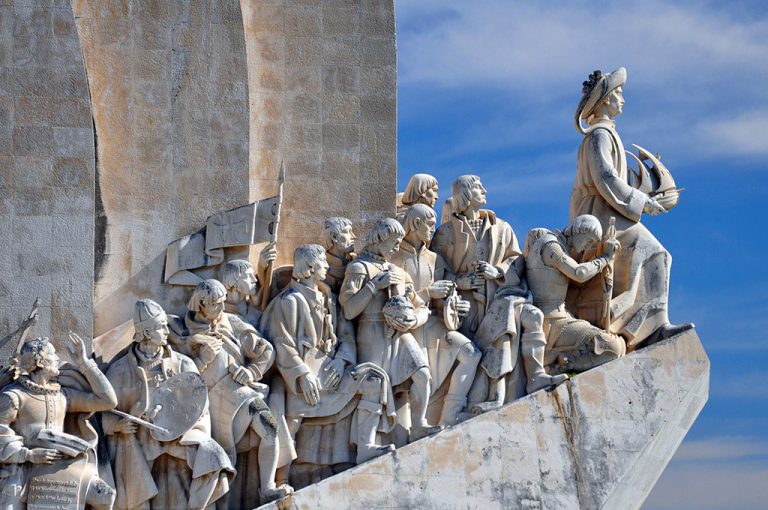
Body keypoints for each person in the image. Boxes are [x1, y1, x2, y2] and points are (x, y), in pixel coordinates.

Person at [571, 67, 692, 349]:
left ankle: (646, 324)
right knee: (656, 252)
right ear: (604, 100)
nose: (622, 99)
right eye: (618, 94)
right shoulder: (599, 135)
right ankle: (649, 328)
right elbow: (606, 180)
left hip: (608, 209)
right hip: (599, 214)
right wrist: (643, 203)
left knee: (656, 254)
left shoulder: (605, 134)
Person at [261, 244, 395, 482]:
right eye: (323, 262)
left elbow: (346, 337)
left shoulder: (330, 300)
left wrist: (342, 361)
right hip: (300, 379)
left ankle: (365, 447)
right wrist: (302, 375)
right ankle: (279, 479)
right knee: (291, 422)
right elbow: (281, 343)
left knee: (374, 380)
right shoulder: (289, 301)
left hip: (332, 372)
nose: (326, 266)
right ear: (311, 267)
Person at [431, 175, 566, 412]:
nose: (484, 190)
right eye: (477, 187)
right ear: (464, 193)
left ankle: (532, 376)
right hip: (466, 307)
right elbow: (435, 271)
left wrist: (498, 271)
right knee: (480, 349)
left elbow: (515, 259)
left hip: (501, 294)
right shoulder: (444, 234)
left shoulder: (502, 227)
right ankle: (480, 400)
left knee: (528, 316)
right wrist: (460, 282)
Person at [104, 299, 234, 510]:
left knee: (213, 457)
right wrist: (116, 426)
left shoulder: (183, 363)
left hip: (179, 439)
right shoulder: (119, 371)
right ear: (145, 332)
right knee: (131, 464)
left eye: (165, 324)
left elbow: (200, 408)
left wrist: (188, 430)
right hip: (140, 442)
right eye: (160, 327)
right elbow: (104, 411)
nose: (167, 331)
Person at [184, 281, 293, 506]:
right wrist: (201, 360)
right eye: (216, 304)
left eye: (224, 302)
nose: (221, 308)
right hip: (211, 404)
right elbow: (180, 377)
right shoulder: (184, 333)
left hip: (240, 391)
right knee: (222, 463)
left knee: (269, 426)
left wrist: (251, 371)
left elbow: (266, 349)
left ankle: (268, 488)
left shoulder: (230, 322)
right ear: (201, 304)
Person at [339, 218, 442, 443]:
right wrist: (374, 285)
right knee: (375, 387)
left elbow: (421, 306)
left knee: (423, 374)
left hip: (400, 333)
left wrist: (413, 321)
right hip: (371, 331)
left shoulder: (396, 270)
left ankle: (419, 425)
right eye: (394, 242)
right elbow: (348, 310)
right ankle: (367, 444)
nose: (397, 247)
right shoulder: (358, 267)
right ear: (381, 239)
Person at [1, 335, 118, 510]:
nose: (57, 358)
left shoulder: (62, 395)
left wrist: (84, 364)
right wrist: (29, 455)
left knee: (105, 496)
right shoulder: (13, 396)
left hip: (62, 468)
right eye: (52, 354)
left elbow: (108, 401)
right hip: (24, 471)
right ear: (39, 362)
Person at [390, 204, 481, 425]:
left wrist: (456, 305)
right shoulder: (394, 257)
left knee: (471, 353)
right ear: (416, 224)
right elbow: (394, 300)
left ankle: (450, 414)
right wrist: (428, 292)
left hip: (432, 323)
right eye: (429, 225)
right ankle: (416, 424)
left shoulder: (434, 258)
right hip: (406, 326)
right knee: (419, 378)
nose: (433, 229)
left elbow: (450, 289)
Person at [524, 215, 626, 374]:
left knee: (617, 347)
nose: (588, 246)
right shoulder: (551, 245)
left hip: (561, 319)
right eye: (589, 240)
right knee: (611, 347)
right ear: (579, 229)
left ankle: (562, 363)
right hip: (550, 323)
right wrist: (605, 258)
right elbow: (579, 272)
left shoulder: (560, 246)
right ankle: (557, 367)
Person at [219, 244, 278, 327]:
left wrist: (262, 266)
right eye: (248, 276)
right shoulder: (221, 313)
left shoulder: (252, 305)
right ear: (234, 282)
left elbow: (264, 292)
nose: (255, 279)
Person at [322, 217, 357, 295]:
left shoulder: (356, 260)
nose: (353, 236)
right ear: (334, 237)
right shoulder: (318, 264)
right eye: (347, 232)